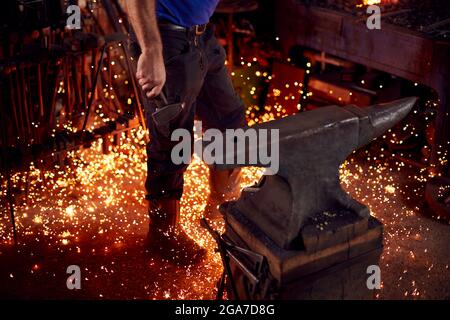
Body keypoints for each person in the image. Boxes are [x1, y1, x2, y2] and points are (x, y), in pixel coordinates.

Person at [127, 0, 245, 264]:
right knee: (173, 142)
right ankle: (163, 235)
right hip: (166, 38)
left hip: (201, 36)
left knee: (230, 121)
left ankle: (220, 208)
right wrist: (152, 49)